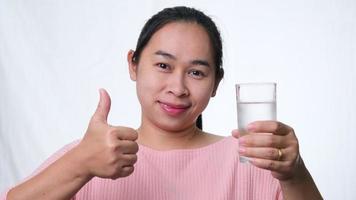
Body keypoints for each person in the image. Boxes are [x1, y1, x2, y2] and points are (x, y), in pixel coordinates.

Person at [2, 6, 322, 200]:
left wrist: (294, 173)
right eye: (163, 66)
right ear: (133, 64)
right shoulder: (95, 155)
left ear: (216, 84)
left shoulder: (253, 161)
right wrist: (80, 164)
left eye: (196, 72)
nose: (178, 88)